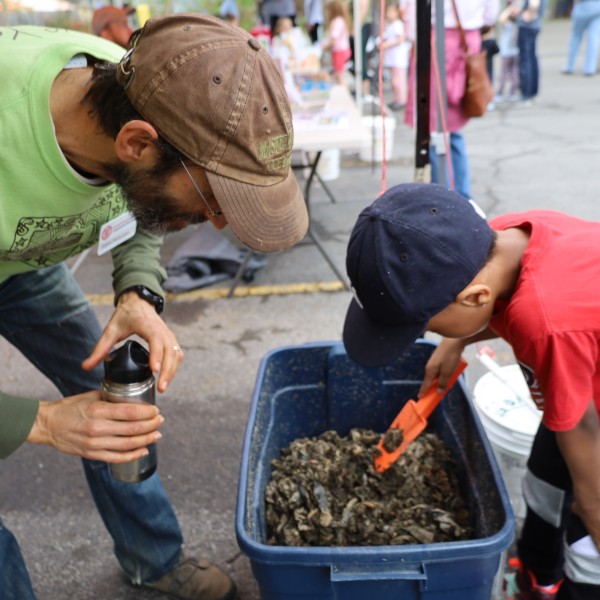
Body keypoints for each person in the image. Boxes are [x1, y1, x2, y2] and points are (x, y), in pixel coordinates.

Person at [0, 13, 308, 600]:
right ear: (136, 141)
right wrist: (42, 423)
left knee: (121, 402)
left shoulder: (137, 81)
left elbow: (138, 203)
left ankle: (153, 558)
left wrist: (137, 290)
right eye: (214, 198)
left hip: (25, 264)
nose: (220, 223)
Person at [342, 182, 600, 600]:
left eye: (427, 326)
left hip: (590, 413)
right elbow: (489, 301)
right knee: (546, 478)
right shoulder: (496, 238)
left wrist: (592, 508)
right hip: (575, 378)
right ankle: (538, 572)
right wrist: (454, 340)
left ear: (475, 295)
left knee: (585, 535)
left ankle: (574, 584)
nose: (426, 334)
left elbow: (584, 428)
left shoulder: (544, 323)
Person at [403, 0, 499, 200]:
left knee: (432, 126)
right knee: (449, 129)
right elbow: (491, 12)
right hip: (466, 36)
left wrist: (414, 37)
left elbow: (411, 9)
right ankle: (460, 196)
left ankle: (444, 197)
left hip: (437, 38)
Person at [515, 0, 548, 106]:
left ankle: (527, 94)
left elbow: (534, 4)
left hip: (528, 25)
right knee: (531, 58)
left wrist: (527, 15)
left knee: (526, 60)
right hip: (533, 24)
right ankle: (532, 92)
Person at [381, 2, 410, 111]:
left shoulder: (398, 24)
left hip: (398, 59)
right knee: (394, 81)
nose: (389, 14)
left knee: (398, 81)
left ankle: (401, 100)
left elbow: (400, 38)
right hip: (392, 59)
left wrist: (386, 45)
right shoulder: (390, 25)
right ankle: (396, 99)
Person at [562, 0, 600, 77]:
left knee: (576, 36)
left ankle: (570, 66)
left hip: (583, 7)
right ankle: (590, 68)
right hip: (597, 7)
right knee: (594, 37)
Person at [496, 0, 521, 102]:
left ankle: (512, 92)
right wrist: (511, 9)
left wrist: (511, 9)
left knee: (513, 73)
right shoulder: (508, 23)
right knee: (505, 73)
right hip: (509, 51)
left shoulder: (516, 22)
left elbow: (501, 18)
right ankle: (502, 92)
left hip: (512, 51)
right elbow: (501, 19)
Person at [322, 0, 352, 86]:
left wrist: (324, 47)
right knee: (338, 74)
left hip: (339, 52)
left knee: (340, 76)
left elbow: (333, 40)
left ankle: (344, 94)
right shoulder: (340, 20)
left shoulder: (337, 21)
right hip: (342, 50)